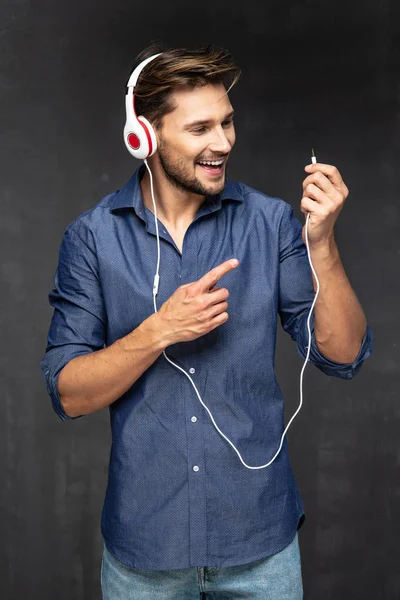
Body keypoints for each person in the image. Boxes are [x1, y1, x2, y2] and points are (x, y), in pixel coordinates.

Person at [40, 44, 373, 599]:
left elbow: (342, 356)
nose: (223, 143)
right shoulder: (92, 238)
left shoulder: (269, 223)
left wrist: (323, 246)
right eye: (200, 129)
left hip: (261, 545)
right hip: (144, 551)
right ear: (144, 136)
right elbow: (68, 394)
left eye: (227, 122)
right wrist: (159, 330)